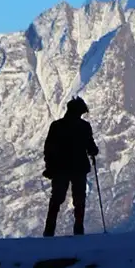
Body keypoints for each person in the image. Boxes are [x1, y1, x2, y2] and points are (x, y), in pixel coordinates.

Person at [42, 96, 99, 237]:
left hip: (60, 168)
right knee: (79, 199)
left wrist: (49, 167)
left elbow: (48, 149)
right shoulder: (84, 127)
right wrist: (93, 151)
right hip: (79, 168)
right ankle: (78, 229)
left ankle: (49, 231)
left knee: (57, 198)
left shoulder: (56, 126)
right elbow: (90, 146)